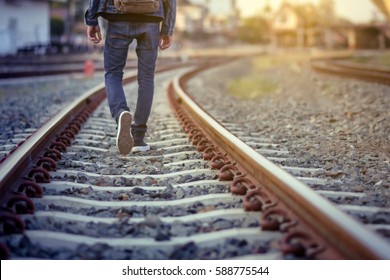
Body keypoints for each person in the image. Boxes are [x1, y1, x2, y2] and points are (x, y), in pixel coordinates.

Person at [85, 0, 176, 154]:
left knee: (113, 74)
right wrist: (168, 28)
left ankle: (121, 112)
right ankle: (138, 138)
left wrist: (92, 19)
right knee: (146, 77)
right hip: (151, 18)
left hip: (118, 16)